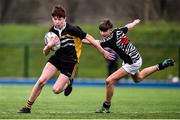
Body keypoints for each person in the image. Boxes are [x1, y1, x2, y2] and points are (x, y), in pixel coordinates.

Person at [17, 5, 114, 113]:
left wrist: (103, 51)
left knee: (56, 90)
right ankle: (27, 107)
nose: (57, 22)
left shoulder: (72, 29)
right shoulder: (51, 32)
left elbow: (89, 38)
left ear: (65, 18)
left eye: (60, 19)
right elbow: (45, 52)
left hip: (70, 62)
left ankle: (68, 83)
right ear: (52, 18)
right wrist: (49, 46)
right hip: (57, 58)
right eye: (55, 19)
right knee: (41, 81)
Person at [94, 19, 175, 113]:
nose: (102, 33)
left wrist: (81, 38)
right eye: (101, 30)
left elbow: (94, 42)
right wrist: (134, 23)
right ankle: (161, 65)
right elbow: (128, 26)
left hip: (131, 62)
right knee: (138, 78)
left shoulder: (110, 40)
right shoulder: (118, 31)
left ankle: (106, 106)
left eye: (105, 31)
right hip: (135, 58)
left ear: (110, 29)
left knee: (109, 81)